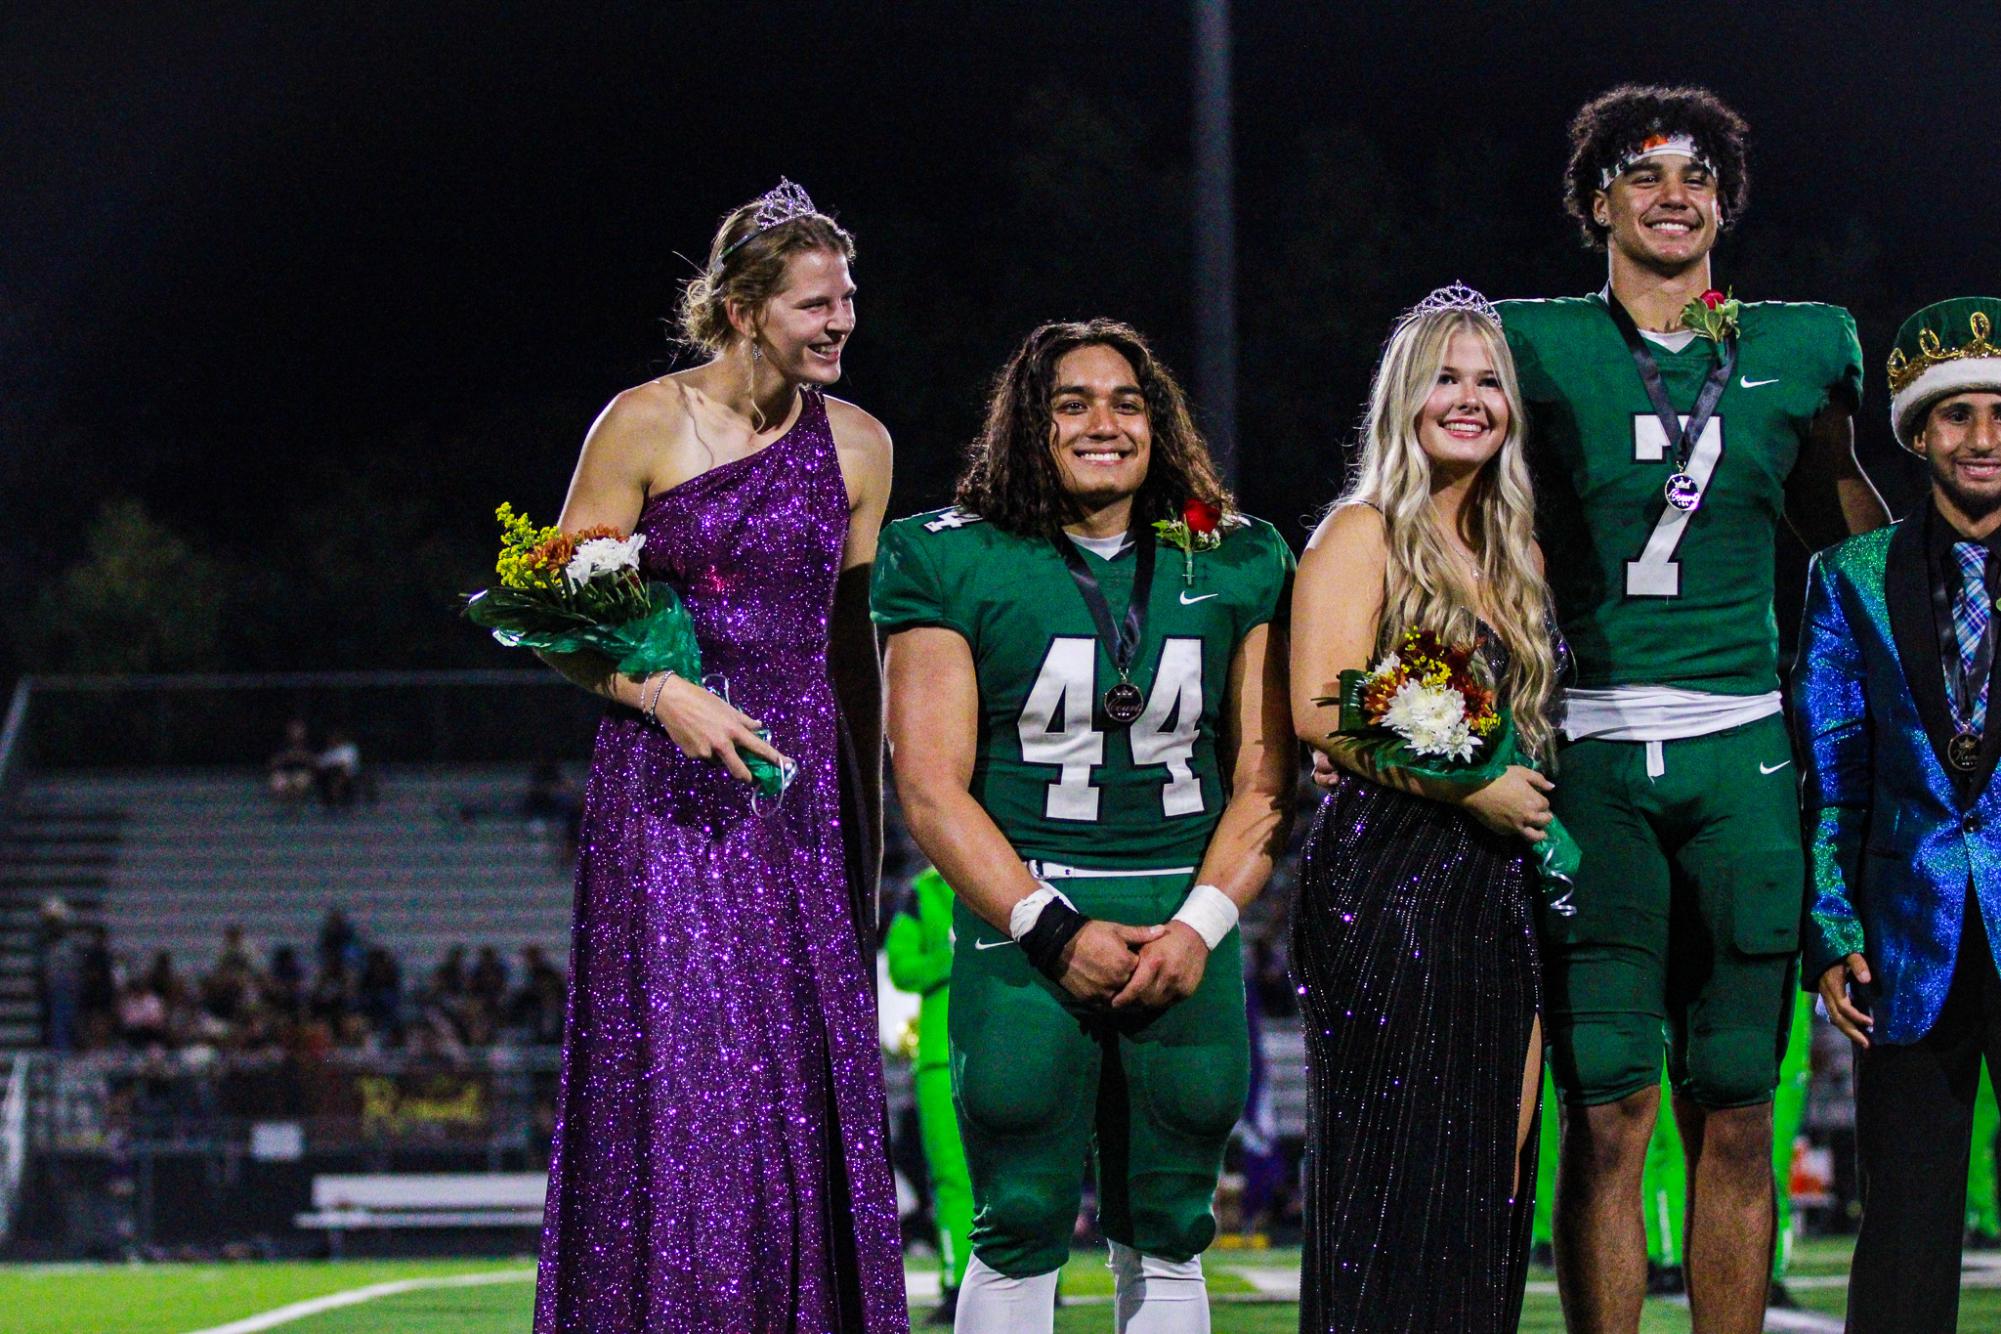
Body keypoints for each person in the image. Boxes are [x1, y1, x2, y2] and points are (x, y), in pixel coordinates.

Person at [1495, 84, 1888, 1331]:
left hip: (1742, 752)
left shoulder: (1795, 343)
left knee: (1736, 1101)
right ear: (1595, 200)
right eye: (1643, 173)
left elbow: (1849, 530)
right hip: (1592, 750)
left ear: (1724, 202)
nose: (1675, 195)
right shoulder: (1525, 341)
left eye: (1698, 176)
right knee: (1605, 1104)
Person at [529, 180, 903, 1331]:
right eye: (814, 303)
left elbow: (855, 657)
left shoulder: (862, 445)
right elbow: (551, 614)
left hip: (800, 804)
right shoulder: (640, 422)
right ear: (742, 309)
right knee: (692, 1083)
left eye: (847, 299)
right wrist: (657, 691)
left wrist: (867, 854)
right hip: (665, 795)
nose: (841, 321)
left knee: (793, 1084)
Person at [875, 318, 1295, 1332]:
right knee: (1017, 1215)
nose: (1103, 422)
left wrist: (1198, 924)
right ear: (1031, 421)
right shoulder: (949, 554)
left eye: (1127, 401)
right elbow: (928, 784)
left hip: (1181, 911)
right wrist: (1050, 926)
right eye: (1072, 402)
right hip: (1026, 909)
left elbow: (1265, 772)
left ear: (1159, 422)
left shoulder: (1235, 555)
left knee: (1171, 1220)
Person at [1290, 287, 1561, 1330]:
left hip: (1502, 891)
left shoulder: (1519, 554)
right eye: (1446, 377)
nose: (1470, 399)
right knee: (1393, 1183)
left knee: (1489, 1180)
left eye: (1489, 380)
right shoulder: (1362, 533)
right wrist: (1467, 781)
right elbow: (1321, 703)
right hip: (1388, 891)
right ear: (1405, 398)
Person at [1797, 296, 2001, 1332]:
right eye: (1958, 413)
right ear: (1917, 432)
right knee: (1908, 1219)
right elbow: (1834, 769)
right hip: (1909, 942)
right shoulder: (1849, 577)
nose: (1984, 437)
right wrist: (1832, 930)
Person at [884, 866, 973, 1326]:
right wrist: (956, 957)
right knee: (954, 1180)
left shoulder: (1015, 867)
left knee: (1024, 1169)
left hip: (1009, 1046)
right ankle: (959, 1284)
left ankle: (1038, 1274)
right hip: (942, 1056)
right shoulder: (922, 892)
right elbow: (900, 968)